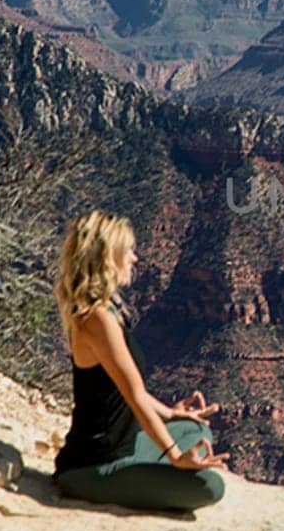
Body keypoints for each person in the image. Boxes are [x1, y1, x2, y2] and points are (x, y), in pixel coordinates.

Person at [51, 210, 229, 512]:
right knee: (210, 488)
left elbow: (130, 391)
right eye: (128, 251)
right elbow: (134, 395)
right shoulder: (97, 320)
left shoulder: (108, 311)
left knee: (196, 429)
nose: (134, 258)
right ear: (109, 257)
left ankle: (154, 465)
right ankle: (150, 472)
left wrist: (171, 414)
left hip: (125, 446)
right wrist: (175, 456)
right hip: (93, 467)